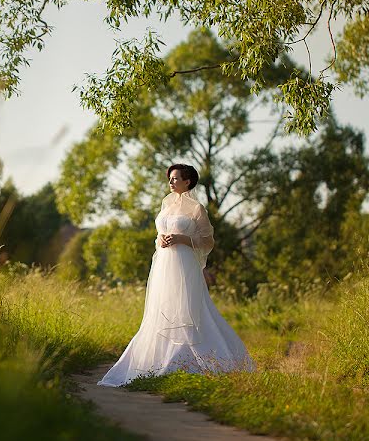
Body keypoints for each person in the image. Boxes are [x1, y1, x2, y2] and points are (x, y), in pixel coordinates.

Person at [97, 164, 255, 387]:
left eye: (175, 178)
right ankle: (158, 362)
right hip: (164, 264)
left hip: (185, 264)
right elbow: (160, 233)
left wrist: (183, 240)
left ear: (187, 181)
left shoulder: (197, 208)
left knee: (190, 308)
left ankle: (216, 360)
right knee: (163, 307)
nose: (171, 182)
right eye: (170, 179)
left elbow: (208, 241)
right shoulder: (167, 205)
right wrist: (160, 240)